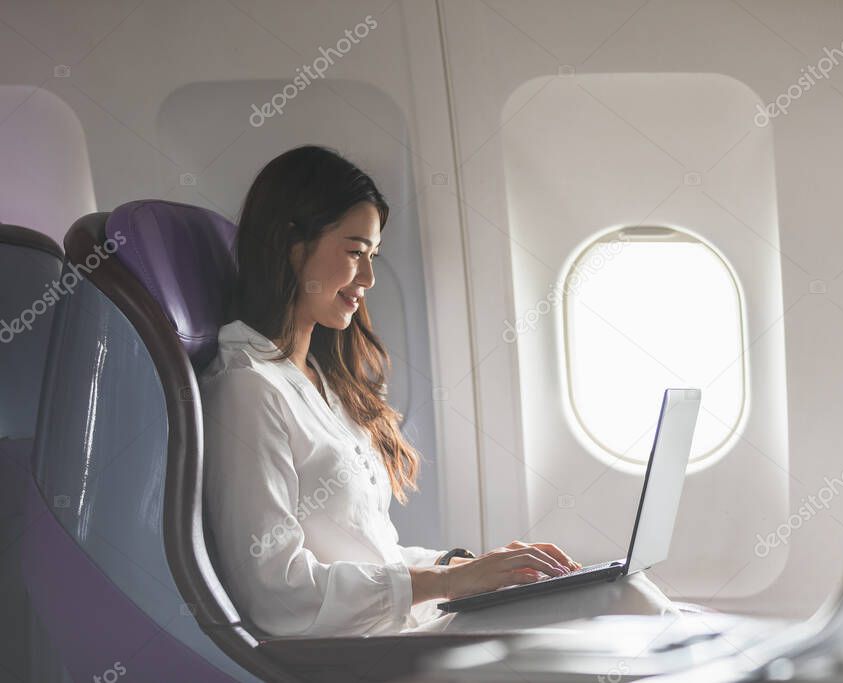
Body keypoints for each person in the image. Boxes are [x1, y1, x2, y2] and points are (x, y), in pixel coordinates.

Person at [200, 145, 584, 637]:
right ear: (292, 244)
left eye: (372, 256)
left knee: (596, 600)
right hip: (348, 655)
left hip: (386, 632)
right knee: (586, 622)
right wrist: (448, 581)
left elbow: (367, 553)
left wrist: (468, 567)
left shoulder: (320, 379)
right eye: (355, 252)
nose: (369, 278)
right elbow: (276, 592)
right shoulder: (246, 391)